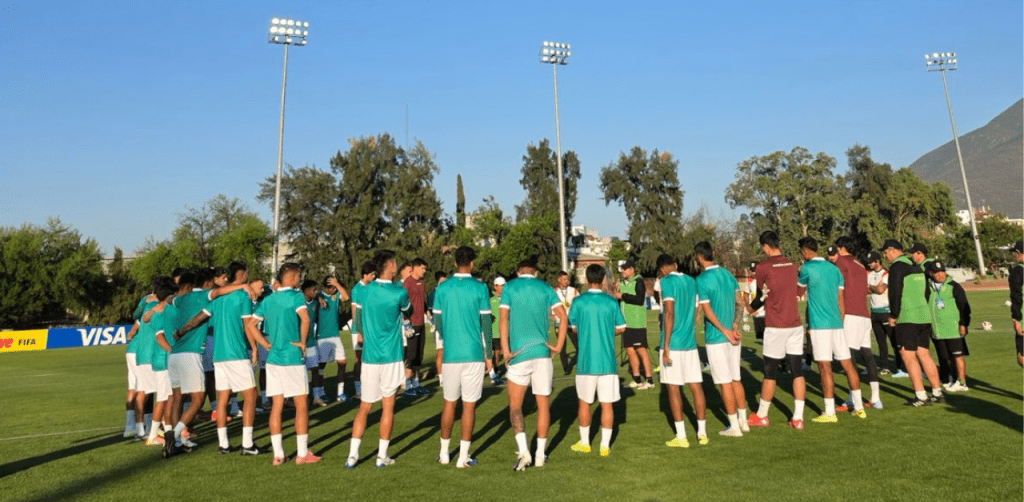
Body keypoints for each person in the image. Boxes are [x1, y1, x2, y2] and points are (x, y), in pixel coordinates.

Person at [178, 262, 264, 454]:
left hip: (218, 355)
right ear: (242, 275)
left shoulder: (218, 299)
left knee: (222, 399)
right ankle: (247, 444)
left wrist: (181, 331)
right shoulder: (242, 295)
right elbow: (247, 324)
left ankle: (223, 444)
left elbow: (198, 318)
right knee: (251, 396)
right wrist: (254, 348)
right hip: (236, 353)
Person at [346, 250, 412, 469]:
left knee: (364, 406)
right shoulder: (399, 292)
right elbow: (408, 311)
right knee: (388, 407)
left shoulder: (364, 291)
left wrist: (363, 333)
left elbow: (357, 318)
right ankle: (381, 456)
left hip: (370, 357)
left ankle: (352, 456)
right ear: (391, 266)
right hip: (391, 356)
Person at [500, 259, 568, 471]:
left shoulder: (509, 287)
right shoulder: (546, 287)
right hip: (541, 353)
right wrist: (558, 345)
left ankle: (523, 452)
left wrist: (505, 350)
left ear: (517, 271)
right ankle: (540, 455)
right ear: (536, 272)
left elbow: (502, 320)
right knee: (543, 406)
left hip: (519, 354)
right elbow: (563, 317)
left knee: (515, 405)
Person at [253, 262, 321, 466]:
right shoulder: (296, 297)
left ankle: (278, 455)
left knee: (277, 406)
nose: (299, 280)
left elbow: (250, 324)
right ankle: (302, 454)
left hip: (273, 358)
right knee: (301, 405)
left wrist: (264, 343)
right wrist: (302, 342)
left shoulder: (269, 299)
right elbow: (306, 320)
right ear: (291, 277)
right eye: (298, 276)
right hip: (292, 357)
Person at [432, 246, 491, 468]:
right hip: (474, 354)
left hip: (451, 355)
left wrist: (447, 337)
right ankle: (463, 457)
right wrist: (488, 354)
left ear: (455, 263)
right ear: (472, 263)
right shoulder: (480, 287)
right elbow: (486, 323)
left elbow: (437, 320)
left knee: (449, 404)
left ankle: (444, 454)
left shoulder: (443, 287)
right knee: (468, 406)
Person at [796, 237, 865, 422]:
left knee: (824, 367)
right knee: (848, 365)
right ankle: (859, 407)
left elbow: (798, 292)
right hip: (837, 324)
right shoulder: (834, 269)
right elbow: (840, 299)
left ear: (805, 251)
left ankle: (829, 412)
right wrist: (840, 322)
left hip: (820, 325)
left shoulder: (807, 268)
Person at [746, 230, 808, 430]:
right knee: (797, 371)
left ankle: (762, 415)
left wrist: (748, 309)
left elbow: (760, 297)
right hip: (794, 325)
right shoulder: (792, 265)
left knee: (770, 373)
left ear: (765, 246)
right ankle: (798, 418)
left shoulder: (763, 267)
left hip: (775, 326)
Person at [568, 264, 626, 456]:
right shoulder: (611, 302)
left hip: (586, 362)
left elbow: (572, 327)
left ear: (586, 279)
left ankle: (585, 443)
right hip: (607, 362)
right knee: (606, 404)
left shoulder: (578, 301)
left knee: (584, 402)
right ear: (603, 279)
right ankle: (604, 446)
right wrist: (607, 332)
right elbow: (622, 327)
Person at [694, 241, 748, 436]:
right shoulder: (728, 274)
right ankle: (743, 421)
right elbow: (740, 303)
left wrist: (724, 330)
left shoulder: (702, 279)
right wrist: (735, 325)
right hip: (733, 334)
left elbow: (707, 311)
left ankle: (734, 427)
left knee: (724, 382)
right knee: (736, 379)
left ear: (699, 257)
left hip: (717, 337)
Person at [882, 239, 945, 406]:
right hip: (923, 316)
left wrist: (893, 314)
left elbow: (895, 292)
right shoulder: (917, 266)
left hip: (907, 317)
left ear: (893, 250)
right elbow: (926, 292)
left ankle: (920, 395)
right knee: (924, 354)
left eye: (885, 252)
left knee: (908, 356)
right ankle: (937, 392)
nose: (884, 256)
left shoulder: (897, 267)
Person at [656, 254, 708, 446]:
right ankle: (702, 433)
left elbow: (669, 312)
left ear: (662, 269)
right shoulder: (690, 280)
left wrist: (666, 346)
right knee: (696, 387)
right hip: (690, 343)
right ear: (675, 264)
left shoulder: (666, 282)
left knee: (673, 388)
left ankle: (681, 437)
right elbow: (696, 308)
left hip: (674, 343)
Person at [834, 237, 882, 409]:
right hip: (864, 315)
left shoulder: (841, 262)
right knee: (867, 355)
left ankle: (853, 399)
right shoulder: (860, 265)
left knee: (849, 359)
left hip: (851, 314)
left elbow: (836, 287)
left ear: (841, 248)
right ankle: (876, 398)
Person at [166, 272, 207, 452]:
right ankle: (174, 435)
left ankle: (178, 441)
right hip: (190, 354)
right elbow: (196, 320)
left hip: (174, 354)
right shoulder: (200, 298)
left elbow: (168, 299)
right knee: (198, 400)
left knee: (178, 398)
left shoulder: (177, 301)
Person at [924, 259, 971, 392]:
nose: (941, 275)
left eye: (942, 271)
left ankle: (962, 382)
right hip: (937, 329)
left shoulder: (954, 286)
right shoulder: (928, 287)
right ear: (931, 273)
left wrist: (963, 324)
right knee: (945, 357)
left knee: (957, 356)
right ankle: (951, 378)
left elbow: (964, 307)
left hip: (953, 328)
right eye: (937, 272)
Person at [866, 252, 906, 377]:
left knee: (894, 341)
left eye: (871, 262)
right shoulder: (870, 274)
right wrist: (874, 287)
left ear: (877, 261)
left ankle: (901, 367)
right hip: (874, 312)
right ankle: (884, 366)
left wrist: (871, 287)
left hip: (886, 311)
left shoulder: (886, 274)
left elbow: (881, 290)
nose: (869, 264)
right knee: (880, 342)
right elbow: (866, 290)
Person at [614, 261, 652, 389]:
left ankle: (649, 380)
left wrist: (622, 295)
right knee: (629, 350)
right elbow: (619, 300)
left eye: (625, 269)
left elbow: (639, 300)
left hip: (637, 322)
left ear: (632, 270)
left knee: (641, 350)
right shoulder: (622, 283)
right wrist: (617, 293)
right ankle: (637, 379)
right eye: (622, 269)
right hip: (625, 323)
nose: (623, 271)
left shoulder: (638, 281)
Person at [316, 276, 350, 403]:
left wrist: (337, 284)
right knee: (321, 366)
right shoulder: (318, 295)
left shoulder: (335, 295)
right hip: (322, 338)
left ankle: (340, 393)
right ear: (326, 287)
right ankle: (320, 393)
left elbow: (346, 297)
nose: (335, 289)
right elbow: (304, 295)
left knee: (342, 362)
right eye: (333, 287)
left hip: (336, 336)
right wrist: (318, 298)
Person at [402, 258, 430, 396]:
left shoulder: (422, 282)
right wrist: (406, 323)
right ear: (415, 268)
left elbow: (421, 300)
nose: (424, 271)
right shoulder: (407, 283)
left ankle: (416, 383)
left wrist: (427, 310)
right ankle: (407, 386)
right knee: (411, 356)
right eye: (422, 268)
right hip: (411, 324)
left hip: (421, 323)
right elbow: (402, 304)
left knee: (419, 355)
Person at [350, 261, 376, 399]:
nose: (373, 277)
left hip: (370, 329)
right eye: (371, 274)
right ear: (365, 275)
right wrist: (359, 332)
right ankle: (358, 389)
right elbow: (355, 312)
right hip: (359, 330)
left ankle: (370, 387)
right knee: (358, 359)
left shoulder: (372, 287)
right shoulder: (357, 289)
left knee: (370, 358)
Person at [299, 280, 324, 406]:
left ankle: (317, 397)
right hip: (299, 344)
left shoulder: (315, 302)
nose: (316, 291)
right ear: (306, 291)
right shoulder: (298, 303)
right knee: (300, 372)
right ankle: (299, 398)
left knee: (315, 369)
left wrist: (319, 298)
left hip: (311, 342)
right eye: (314, 290)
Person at [553, 271, 580, 375]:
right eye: (564, 279)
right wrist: (552, 314)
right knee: (562, 347)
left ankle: (581, 364)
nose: (566, 281)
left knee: (579, 346)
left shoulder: (573, 291)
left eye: (567, 279)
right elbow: (549, 305)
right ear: (559, 279)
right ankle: (566, 369)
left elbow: (579, 303)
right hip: (559, 323)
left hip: (571, 323)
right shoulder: (553, 292)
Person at [427, 270, 448, 385]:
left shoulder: (449, 292)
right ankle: (441, 378)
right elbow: (430, 312)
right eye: (441, 281)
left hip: (450, 326)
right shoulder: (432, 294)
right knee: (440, 352)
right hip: (439, 327)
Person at [488, 276, 506, 385]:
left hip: (504, 331)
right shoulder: (490, 299)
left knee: (503, 353)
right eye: (501, 286)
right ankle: (493, 373)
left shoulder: (506, 298)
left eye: (504, 285)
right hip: (493, 331)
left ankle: (500, 372)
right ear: (495, 286)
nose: (502, 288)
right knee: (494, 354)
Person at [1010, 240, 1024, 367]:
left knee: (1022, 357)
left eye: (1014, 253)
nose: (1014, 255)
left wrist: (1016, 319)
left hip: (1023, 318)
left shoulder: (1017, 272)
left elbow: (1016, 296)